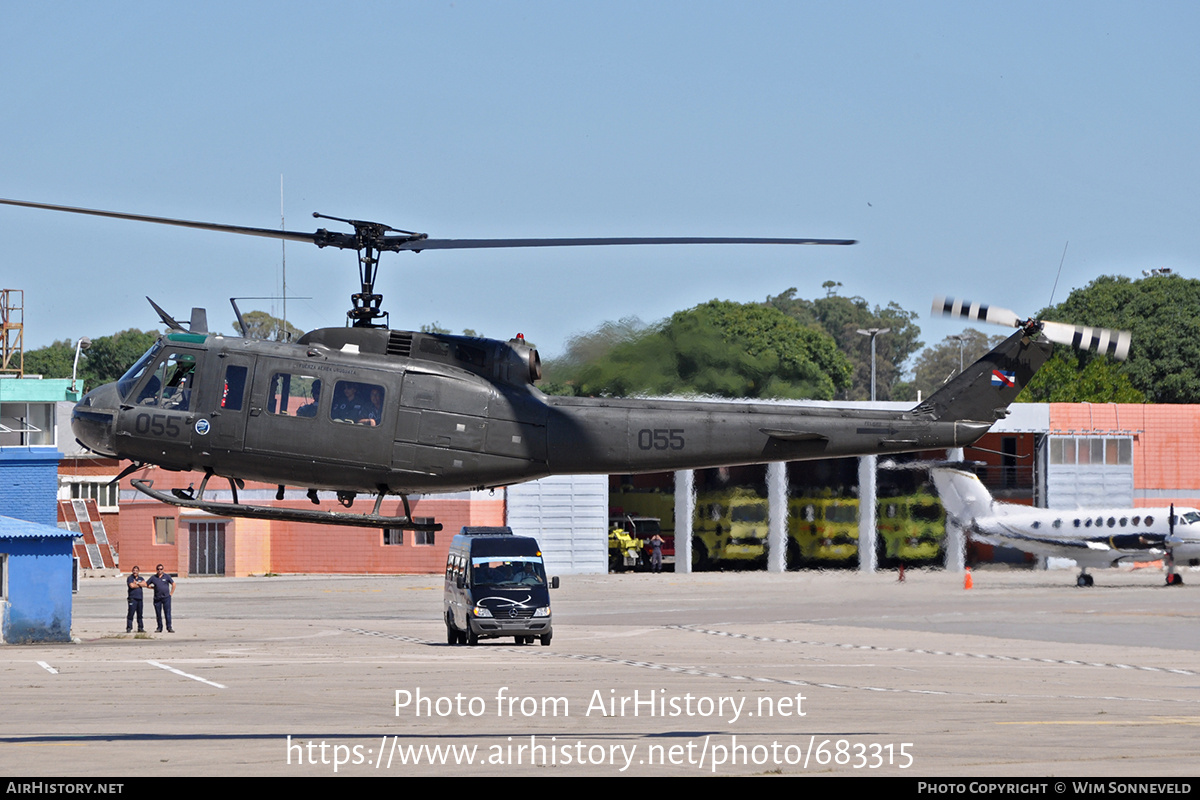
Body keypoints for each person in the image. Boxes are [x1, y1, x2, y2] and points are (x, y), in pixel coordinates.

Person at [145, 564, 176, 633]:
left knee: (167, 613)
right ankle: (159, 627)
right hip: (157, 599)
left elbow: (173, 584)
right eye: (158, 569)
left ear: (163, 570)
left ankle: (169, 627)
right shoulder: (153, 577)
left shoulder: (167, 576)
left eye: (161, 569)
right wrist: (153, 588)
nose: (160, 570)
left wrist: (171, 593)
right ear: (156, 570)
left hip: (166, 598)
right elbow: (146, 584)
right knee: (158, 614)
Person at [126, 566, 146, 633]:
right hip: (132, 598)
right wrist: (140, 585)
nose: (135, 572)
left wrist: (137, 583)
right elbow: (132, 585)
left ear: (138, 571)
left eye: (136, 570)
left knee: (140, 614)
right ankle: (129, 627)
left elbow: (145, 584)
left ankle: (140, 628)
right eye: (134, 570)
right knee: (131, 614)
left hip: (139, 599)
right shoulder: (130, 578)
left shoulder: (141, 578)